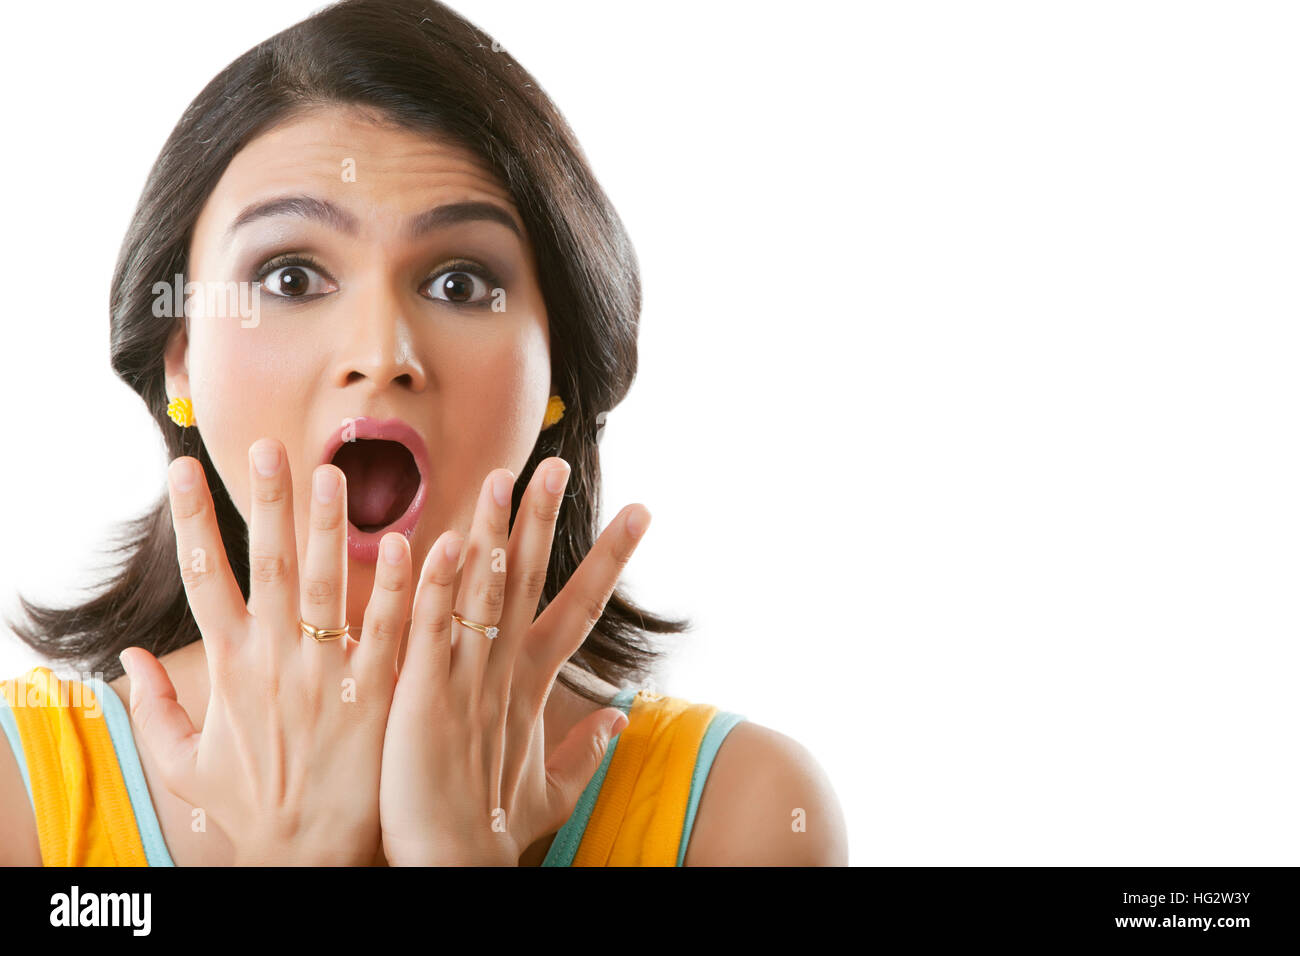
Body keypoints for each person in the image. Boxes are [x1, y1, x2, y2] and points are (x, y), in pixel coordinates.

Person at [0, 0, 846, 866]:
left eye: (460, 283)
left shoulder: (741, 814)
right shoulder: (21, 793)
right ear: (179, 355)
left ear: (559, 370)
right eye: (291, 276)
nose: (381, 354)